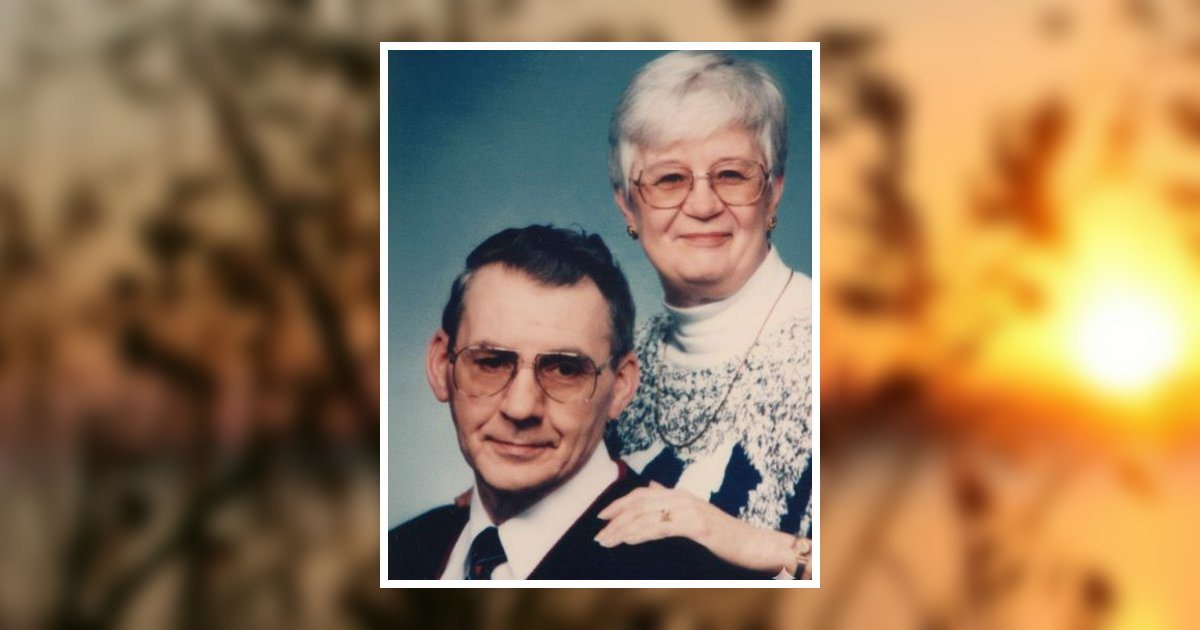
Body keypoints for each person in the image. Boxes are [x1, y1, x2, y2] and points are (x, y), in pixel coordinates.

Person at [388, 225, 767, 580]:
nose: (520, 408)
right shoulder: (398, 554)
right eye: (491, 362)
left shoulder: (695, 574)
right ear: (441, 365)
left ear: (620, 387)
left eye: (565, 370)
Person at [598, 51, 814, 578]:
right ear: (628, 205)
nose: (702, 205)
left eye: (731, 174)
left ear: (773, 192)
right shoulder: (619, 365)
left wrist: (744, 540)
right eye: (670, 179)